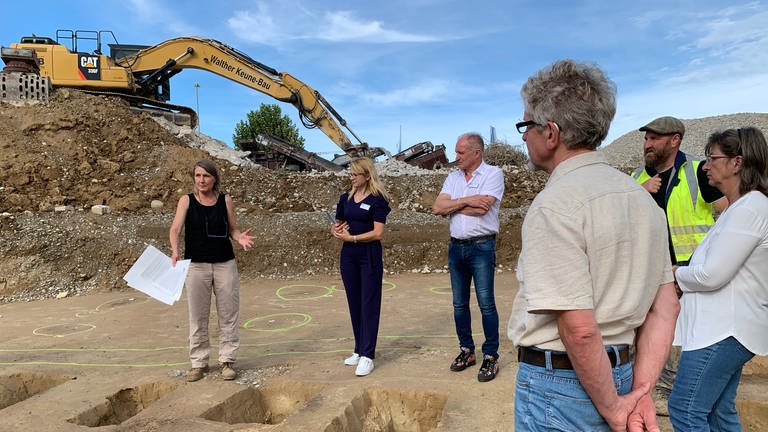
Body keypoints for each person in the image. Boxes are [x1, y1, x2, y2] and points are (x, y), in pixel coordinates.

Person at [507, 59, 680, 431]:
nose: (523, 136)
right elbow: (665, 308)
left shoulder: (555, 206)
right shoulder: (641, 201)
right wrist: (642, 392)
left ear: (550, 133)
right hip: (622, 374)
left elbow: (580, 328)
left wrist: (615, 409)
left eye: (526, 126)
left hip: (561, 386)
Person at [668, 127, 768, 431]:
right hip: (722, 329)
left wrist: (677, 275)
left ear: (737, 163)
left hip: (724, 330)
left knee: (685, 409)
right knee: (718, 411)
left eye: (712, 158)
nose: (706, 166)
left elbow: (712, 275)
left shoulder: (750, 208)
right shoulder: (739, 208)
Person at [633, 116, 727, 411]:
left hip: (689, 271)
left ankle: (680, 393)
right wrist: (639, 192)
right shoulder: (637, 178)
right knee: (653, 330)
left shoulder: (699, 171)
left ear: (675, 140)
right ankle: (654, 389)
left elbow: (728, 208)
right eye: (646, 139)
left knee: (687, 333)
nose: (648, 144)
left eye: (654, 139)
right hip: (649, 270)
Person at [169, 159, 254, 382]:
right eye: (198, 176)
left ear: (214, 178)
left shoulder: (225, 200)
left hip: (225, 263)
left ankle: (227, 361)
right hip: (196, 265)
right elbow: (175, 228)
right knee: (198, 315)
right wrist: (175, 250)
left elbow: (233, 229)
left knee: (228, 313)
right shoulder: (186, 201)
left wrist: (240, 238)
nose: (201, 180)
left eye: (206, 176)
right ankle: (198, 363)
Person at [432, 132, 504, 382]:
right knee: (459, 304)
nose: (456, 157)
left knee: (486, 303)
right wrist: (468, 200)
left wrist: (455, 205)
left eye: (461, 153)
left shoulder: (493, 174)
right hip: (456, 248)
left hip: (482, 248)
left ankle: (491, 356)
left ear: (476, 152)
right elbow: (437, 208)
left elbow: (484, 207)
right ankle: (467, 351)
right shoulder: (452, 177)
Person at [331, 157, 391, 377]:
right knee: (354, 302)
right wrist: (336, 231)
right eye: (350, 174)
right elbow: (337, 225)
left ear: (367, 175)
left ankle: (368, 355)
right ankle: (358, 348)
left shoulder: (378, 200)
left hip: (368, 254)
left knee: (369, 303)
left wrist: (353, 238)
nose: (351, 177)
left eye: (355, 174)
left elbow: (378, 233)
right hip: (348, 255)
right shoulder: (344, 199)